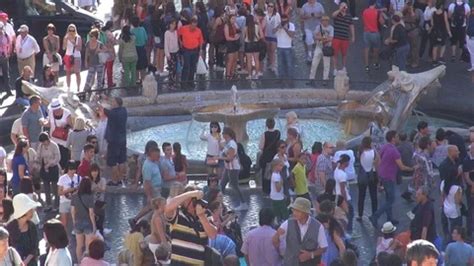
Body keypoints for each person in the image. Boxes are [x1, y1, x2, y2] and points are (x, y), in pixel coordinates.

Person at [370, 131, 413, 227]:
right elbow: (401, 167)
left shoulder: (385, 147)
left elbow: (377, 160)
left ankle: (390, 218)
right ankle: (375, 216)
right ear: (393, 138)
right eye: (397, 136)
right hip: (389, 177)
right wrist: (413, 168)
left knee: (388, 198)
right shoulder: (395, 151)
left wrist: (379, 173)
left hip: (383, 176)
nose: (398, 138)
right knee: (390, 200)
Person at [164, 187, 217, 265]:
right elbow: (167, 207)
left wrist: (201, 216)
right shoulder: (178, 214)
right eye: (190, 199)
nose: (192, 201)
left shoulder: (205, 214)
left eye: (194, 199)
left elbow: (213, 235)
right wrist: (191, 194)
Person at [272, 197, 328, 265]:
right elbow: (275, 243)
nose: (294, 213)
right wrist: (277, 235)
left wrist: (311, 254)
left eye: (297, 211)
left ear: (306, 213)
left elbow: (324, 247)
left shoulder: (318, 226)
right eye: (294, 210)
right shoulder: (287, 224)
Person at [130, 146, 162, 226]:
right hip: (153, 189)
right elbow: (147, 182)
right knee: (155, 207)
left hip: (156, 188)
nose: (159, 157)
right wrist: (149, 195)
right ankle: (140, 221)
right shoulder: (148, 166)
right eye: (157, 155)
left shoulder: (153, 162)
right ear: (152, 155)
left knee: (151, 207)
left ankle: (137, 220)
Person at [100, 97, 127, 186]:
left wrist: (97, 100)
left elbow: (102, 109)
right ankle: (122, 179)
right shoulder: (124, 111)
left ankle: (116, 180)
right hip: (122, 139)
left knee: (113, 162)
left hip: (113, 140)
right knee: (121, 160)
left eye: (113, 102)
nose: (111, 103)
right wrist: (107, 99)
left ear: (116, 103)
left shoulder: (112, 113)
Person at [6, 193, 40, 266]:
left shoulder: (32, 226)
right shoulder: (9, 228)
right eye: (30, 209)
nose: (33, 211)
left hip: (30, 263)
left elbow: (35, 247)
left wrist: (25, 262)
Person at [219, 127, 247, 210]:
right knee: (222, 184)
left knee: (235, 185)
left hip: (233, 168)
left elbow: (230, 158)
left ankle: (243, 203)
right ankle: (220, 203)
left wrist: (217, 158)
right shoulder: (228, 143)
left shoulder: (232, 144)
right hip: (228, 167)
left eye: (223, 133)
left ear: (227, 134)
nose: (222, 134)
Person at [71, 178, 96, 261]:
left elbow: (72, 211)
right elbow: (91, 213)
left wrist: (74, 221)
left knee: (79, 245)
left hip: (78, 222)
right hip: (88, 223)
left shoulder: (74, 196)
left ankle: (79, 262)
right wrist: (94, 226)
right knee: (88, 247)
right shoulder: (90, 196)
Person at [178, 16, 204, 88]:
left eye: (195, 25)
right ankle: (183, 83)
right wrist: (180, 42)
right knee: (186, 66)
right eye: (192, 25)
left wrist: (200, 50)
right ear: (190, 24)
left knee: (193, 66)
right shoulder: (184, 28)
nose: (193, 27)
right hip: (186, 50)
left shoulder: (198, 31)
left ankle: (190, 81)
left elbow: (201, 41)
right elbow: (178, 34)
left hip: (195, 50)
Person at [37, 132, 60, 212]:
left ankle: (56, 205)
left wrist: (50, 164)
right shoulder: (41, 146)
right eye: (42, 142)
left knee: (54, 188)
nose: (43, 143)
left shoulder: (54, 146)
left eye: (44, 141)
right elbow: (38, 156)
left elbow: (57, 158)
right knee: (46, 188)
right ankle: (48, 204)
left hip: (53, 168)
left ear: (47, 139)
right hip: (44, 167)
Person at [357, 136, 379, 221]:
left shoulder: (360, 151)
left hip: (362, 175)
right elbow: (378, 161)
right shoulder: (373, 152)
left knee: (361, 196)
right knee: (373, 195)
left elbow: (359, 158)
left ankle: (360, 215)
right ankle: (374, 213)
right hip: (372, 174)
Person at [47, 98, 73, 169]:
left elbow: (71, 126)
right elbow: (49, 123)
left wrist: (65, 126)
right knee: (54, 157)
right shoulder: (50, 112)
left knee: (64, 157)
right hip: (54, 139)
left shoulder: (67, 113)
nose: (56, 111)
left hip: (64, 140)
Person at [334, 154, 355, 235]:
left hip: (338, 195)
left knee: (343, 214)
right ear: (346, 162)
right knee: (350, 213)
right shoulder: (342, 175)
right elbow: (343, 189)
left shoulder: (337, 170)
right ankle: (349, 231)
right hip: (344, 197)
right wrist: (345, 200)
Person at [308, 15, 332, 86]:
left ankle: (325, 79)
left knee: (326, 64)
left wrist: (320, 37)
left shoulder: (331, 28)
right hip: (319, 47)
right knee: (314, 63)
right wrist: (324, 38)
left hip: (327, 47)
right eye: (323, 20)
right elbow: (315, 36)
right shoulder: (318, 27)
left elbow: (330, 38)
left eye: (326, 20)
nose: (325, 22)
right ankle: (311, 78)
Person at [259, 118, 281, 195]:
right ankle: (274, 188)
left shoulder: (264, 134)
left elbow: (261, 147)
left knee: (266, 174)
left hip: (266, 157)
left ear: (266, 125)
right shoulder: (278, 133)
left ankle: (266, 190)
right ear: (274, 124)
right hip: (275, 156)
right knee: (274, 172)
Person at [332, 2, 355, 74]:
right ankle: (335, 69)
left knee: (344, 54)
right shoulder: (337, 14)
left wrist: (353, 36)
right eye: (343, 6)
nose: (344, 8)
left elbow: (351, 26)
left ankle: (344, 67)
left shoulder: (349, 16)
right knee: (334, 54)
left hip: (345, 38)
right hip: (336, 37)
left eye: (345, 6)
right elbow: (333, 15)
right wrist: (340, 10)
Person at [57, 160, 81, 228]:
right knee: (64, 222)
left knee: (76, 221)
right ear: (67, 169)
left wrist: (76, 190)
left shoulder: (79, 178)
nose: (72, 171)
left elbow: (81, 191)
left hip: (75, 201)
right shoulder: (62, 178)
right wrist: (68, 190)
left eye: (74, 169)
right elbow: (59, 193)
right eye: (71, 169)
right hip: (64, 201)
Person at [83, 28, 105, 99]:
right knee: (89, 77)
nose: (91, 37)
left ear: (96, 36)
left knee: (99, 78)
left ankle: (99, 92)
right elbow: (86, 53)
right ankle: (85, 90)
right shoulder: (88, 43)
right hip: (91, 63)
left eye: (92, 36)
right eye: (90, 36)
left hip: (99, 63)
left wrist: (100, 50)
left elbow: (106, 50)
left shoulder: (100, 44)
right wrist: (86, 61)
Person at [301, 0, 325, 64]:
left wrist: (317, 15)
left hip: (317, 27)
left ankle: (316, 54)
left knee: (316, 42)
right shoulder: (304, 6)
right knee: (309, 41)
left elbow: (323, 15)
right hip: (308, 27)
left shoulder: (319, 5)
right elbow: (301, 16)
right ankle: (309, 56)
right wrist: (307, 16)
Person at [362, 0, 382, 72]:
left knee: (366, 49)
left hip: (366, 32)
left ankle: (367, 66)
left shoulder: (364, 11)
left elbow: (364, 21)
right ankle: (375, 63)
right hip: (375, 32)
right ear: (375, 4)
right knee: (375, 49)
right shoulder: (377, 12)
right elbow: (381, 22)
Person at [275, 14, 296, 80]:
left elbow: (292, 35)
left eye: (285, 21)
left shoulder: (291, 25)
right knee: (280, 64)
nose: (284, 22)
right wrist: (278, 27)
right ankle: (281, 78)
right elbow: (273, 31)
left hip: (288, 47)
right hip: (279, 46)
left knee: (289, 63)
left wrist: (286, 29)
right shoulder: (278, 24)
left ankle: (290, 78)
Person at [403, 1, 423, 68]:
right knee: (407, 47)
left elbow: (416, 19)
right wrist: (405, 7)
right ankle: (408, 60)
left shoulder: (418, 11)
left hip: (414, 31)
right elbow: (399, 15)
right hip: (406, 31)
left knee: (415, 47)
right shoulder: (405, 10)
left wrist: (411, 10)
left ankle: (415, 61)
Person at [63, 24, 82, 91]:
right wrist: (66, 40)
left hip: (76, 56)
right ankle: (68, 88)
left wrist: (73, 42)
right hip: (68, 55)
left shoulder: (78, 37)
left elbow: (80, 48)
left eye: (73, 30)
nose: (71, 32)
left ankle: (78, 87)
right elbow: (64, 48)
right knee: (68, 73)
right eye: (70, 30)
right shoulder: (66, 37)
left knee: (77, 73)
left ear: (75, 30)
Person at [90, 164, 108, 236]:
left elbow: (103, 189)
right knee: (92, 219)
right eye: (93, 171)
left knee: (101, 219)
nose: (94, 173)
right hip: (91, 203)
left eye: (96, 171)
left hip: (100, 203)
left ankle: (101, 232)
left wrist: (95, 189)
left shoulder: (102, 180)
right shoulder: (89, 180)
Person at [243, 14, 262, 79]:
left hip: (248, 44)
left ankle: (249, 75)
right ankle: (257, 74)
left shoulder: (245, 27)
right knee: (256, 60)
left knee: (249, 60)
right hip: (256, 44)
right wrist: (258, 38)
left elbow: (243, 37)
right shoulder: (257, 26)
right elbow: (261, 36)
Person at [130, 16, 148, 84]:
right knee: (143, 65)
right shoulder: (142, 29)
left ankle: (137, 79)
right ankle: (143, 78)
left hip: (135, 49)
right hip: (142, 49)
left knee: (136, 65)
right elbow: (146, 38)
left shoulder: (131, 31)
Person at [270, 159, 288, 223]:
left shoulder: (277, 174)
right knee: (284, 213)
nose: (282, 167)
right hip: (277, 198)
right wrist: (282, 181)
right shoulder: (275, 176)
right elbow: (278, 189)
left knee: (278, 213)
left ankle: (279, 222)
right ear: (275, 166)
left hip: (277, 196)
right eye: (280, 165)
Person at [265, 3, 281, 71]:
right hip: (267, 35)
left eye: (272, 6)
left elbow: (280, 23)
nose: (270, 8)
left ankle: (273, 65)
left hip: (274, 35)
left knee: (273, 50)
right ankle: (270, 63)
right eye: (269, 6)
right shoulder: (264, 14)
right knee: (268, 50)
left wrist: (276, 29)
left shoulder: (277, 15)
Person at [164, 19, 179, 89]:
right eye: (172, 24)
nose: (173, 26)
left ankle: (174, 82)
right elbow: (166, 44)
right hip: (170, 53)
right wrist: (167, 54)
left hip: (175, 52)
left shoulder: (176, 32)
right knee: (171, 69)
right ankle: (171, 83)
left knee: (175, 68)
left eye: (174, 24)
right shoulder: (167, 33)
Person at [224, 14, 240, 80]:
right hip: (230, 43)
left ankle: (232, 72)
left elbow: (239, 31)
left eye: (235, 19)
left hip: (235, 44)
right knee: (230, 60)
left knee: (235, 59)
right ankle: (228, 74)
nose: (234, 20)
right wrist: (234, 38)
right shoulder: (227, 26)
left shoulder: (234, 25)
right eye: (232, 19)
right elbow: (227, 37)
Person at [102, 21, 117, 89]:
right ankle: (110, 83)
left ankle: (101, 80)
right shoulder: (110, 34)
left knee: (103, 68)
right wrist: (115, 37)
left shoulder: (101, 33)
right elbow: (114, 42)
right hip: (110, 53)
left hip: (102, 53)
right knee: (109, 69)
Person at [0, 22, 12, 100]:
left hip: (4, 57)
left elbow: (9, 45)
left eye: (1, 28)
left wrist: (8, 53)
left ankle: (8, 91)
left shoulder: (6, 36)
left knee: (6, 74)